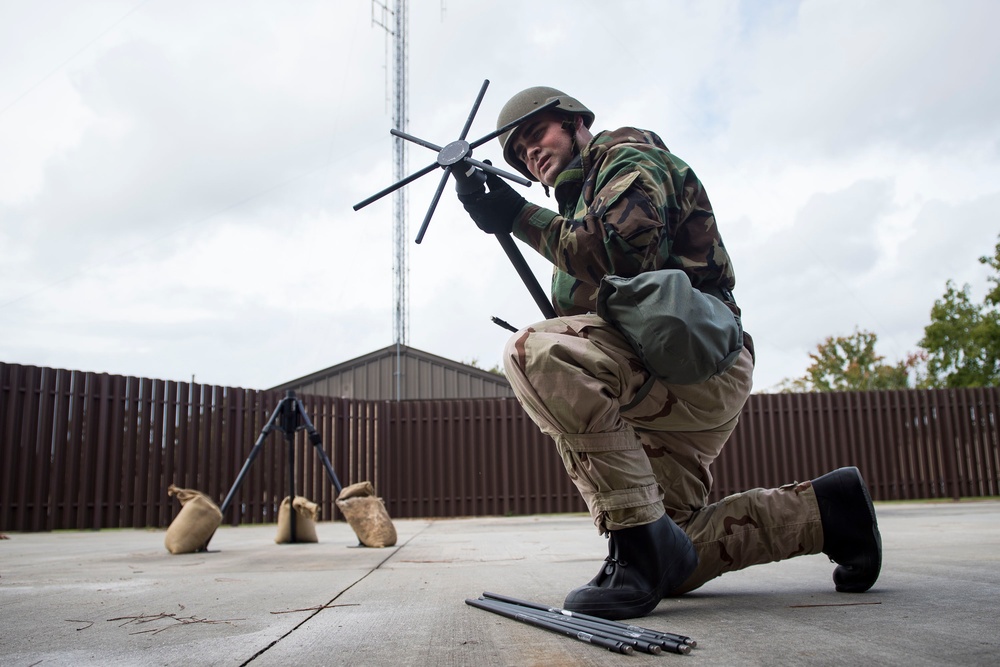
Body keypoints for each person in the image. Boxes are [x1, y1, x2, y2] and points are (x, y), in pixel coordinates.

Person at [454, 86, 882, 621]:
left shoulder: (627, 157)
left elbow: (625, 255)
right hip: (661, 386)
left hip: (694, 365)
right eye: (517, 152)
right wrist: (520, 217)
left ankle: (635, 548)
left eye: (536, 134)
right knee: (676, 549)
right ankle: (830, 512)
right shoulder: (579, 208)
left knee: (534, 353)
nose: (529, 153)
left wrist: (518, 215)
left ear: (574, 121)